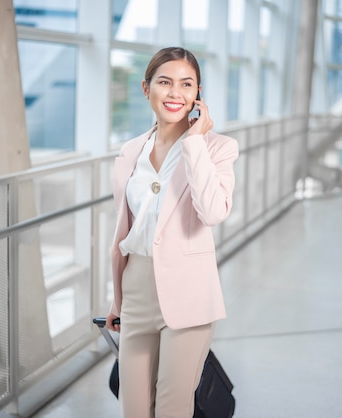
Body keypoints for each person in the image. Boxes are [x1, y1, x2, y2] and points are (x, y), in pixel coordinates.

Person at [104, 46, 239, 418]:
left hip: (188, 294)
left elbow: (213, 211)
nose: (175, 93)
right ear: (147, 89)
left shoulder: (217, 148)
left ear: (198, 94)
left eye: (186, 84)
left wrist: (194, 143)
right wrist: (118, 300)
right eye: (165, 82)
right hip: (136, 290)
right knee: (134, 409)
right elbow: (125, 232)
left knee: (171, 410)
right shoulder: (131, 151)